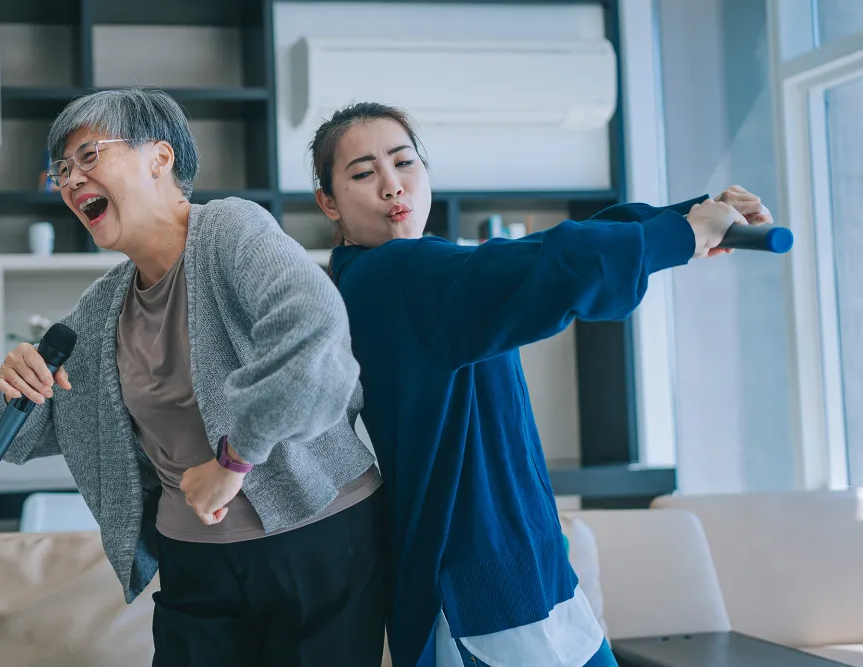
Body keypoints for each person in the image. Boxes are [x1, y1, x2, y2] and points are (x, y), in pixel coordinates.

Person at [308, 102, 772, 667]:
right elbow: (546, 265)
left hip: (527, 572)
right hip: (480, 594)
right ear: (329, 203)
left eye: (404, 162)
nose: (391, 185)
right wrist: (682, 233)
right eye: (363, 173)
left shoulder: (420, 270)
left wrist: (692, 216)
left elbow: (537, 250)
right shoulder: (389, 276)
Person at [0, 88, 387, 666]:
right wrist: (10, 380)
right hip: (195, 560)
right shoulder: (101, 309)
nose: (71, 179)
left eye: (89, 156)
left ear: (160, 158)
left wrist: (235, 459)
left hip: (317, 533)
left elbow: (315, 334)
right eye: (62, 170)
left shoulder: (231, 230)